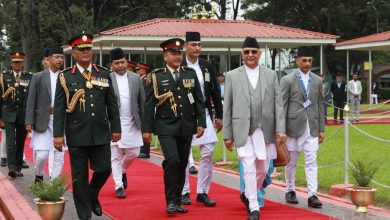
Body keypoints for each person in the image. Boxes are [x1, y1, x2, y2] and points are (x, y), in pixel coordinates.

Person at [53, 33, 121, 220]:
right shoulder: (65, 77)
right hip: (77, 133)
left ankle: (91, 194)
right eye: (81, 49)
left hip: (100, 131)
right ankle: (84, 216)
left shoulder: (103, 74)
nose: (86, 52)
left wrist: (116, 128)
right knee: (79, 176)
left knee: (105, 168)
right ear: (73, 52)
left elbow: (112, 104)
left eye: (88, 48)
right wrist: (57, 134)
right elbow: (59, 108)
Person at [223, 37, 286, 220]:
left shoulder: (271, 75)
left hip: (265, 129)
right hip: (242, 129)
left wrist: (281, 129)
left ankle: (248, 194)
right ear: (242, 54)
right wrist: (227, 134)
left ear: (260, 53)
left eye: (254, 51)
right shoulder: (232, 76)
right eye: (247, 51)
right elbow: (227, 106)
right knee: (248, 166)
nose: (250, 55)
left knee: (264, 168)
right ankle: (253, 206)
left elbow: (278, 104)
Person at [142, 38, 206, 215]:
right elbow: (148, 105)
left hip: (186, 125)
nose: (177, 56)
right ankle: (170, 201)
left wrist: (201, 122)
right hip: (165, 126)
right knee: (172, 160)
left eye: (179, 53)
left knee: (182, 163)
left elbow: (199, 101)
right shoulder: (156, 76)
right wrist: (146, 130)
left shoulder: (189, 73)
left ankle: (178, 200)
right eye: (173, 53)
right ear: (165, 55)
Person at [181, 31, 223, 207]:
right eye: (193, 44)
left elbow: (215, 91)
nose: (197, 48)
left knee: (208, 152)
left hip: (204, 113)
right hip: (184, 114)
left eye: (199, 44)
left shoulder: (207, 66)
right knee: (183, 154)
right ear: (185, 47)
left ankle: (202, 191)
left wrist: (219, 115)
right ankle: (183, 191)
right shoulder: (179, 64)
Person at [280, 46, 325, 209]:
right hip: (292, 127)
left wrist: (321, 129)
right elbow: (282, 106)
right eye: (304, 60)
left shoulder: (318, 80)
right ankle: (290, 190)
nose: (307, 63)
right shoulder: (287, 79)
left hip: (311, 127)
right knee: (291, 161)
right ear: (297, 60)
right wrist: (281, 129)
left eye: (309, 61)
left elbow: (320, 105)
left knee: (312, 160)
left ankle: (313, 194)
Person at [25, 46, 65, 183]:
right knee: (42, 155)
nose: (60, 60)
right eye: (56, 57)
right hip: (43, 120)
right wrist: (29, 120)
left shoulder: (66, 76)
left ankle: (55, 182)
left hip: (61, 120)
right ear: (48, 58)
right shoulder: (38, 77)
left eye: (61, 57)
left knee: (59, 153)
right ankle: (39, 174)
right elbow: (31, 100)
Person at [109, 48, 145, 199]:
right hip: (114, 122)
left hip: (133, 122)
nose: (120, 66)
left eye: (122, 62)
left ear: (126, 62)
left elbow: (142, 101)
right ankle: (118, 186)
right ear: (111, 65)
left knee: (134, 153)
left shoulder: (136, 78)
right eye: (117, 63)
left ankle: (123, 171)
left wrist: (146, 124)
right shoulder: (107, 78)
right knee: (116, 155)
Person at [0, 52, 32, 179]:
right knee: (10, 142)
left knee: (20, 141)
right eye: (15, 62)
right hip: (8, 113)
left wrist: (30, 117)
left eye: (19, 62)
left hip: (23, 114)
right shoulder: (4, 77)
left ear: (23, 63)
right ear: (11, 63)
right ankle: (11, 167)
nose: (17, 64)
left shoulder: (29, 77)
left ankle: (18, 167)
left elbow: (31, 98)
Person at [135, 62, 152, 159]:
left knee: (145, 129)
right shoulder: (140, 79)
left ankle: (145, 151)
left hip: (145, 108)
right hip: (140, 107)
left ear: (143, 70)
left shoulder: (146, 80)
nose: (137, 71)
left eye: (139, 69)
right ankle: (142, 149)